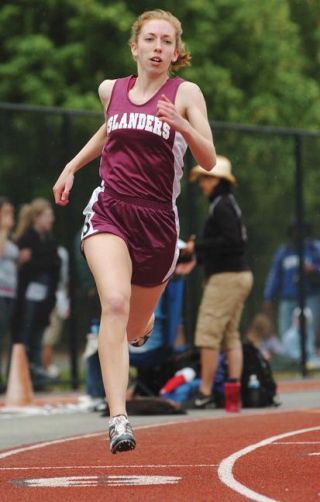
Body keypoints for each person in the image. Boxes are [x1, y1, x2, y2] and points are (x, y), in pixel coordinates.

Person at [53, 8, 216, 454]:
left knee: (131, 325)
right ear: (135, 46)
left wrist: (181, 124)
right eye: (150, 40)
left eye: (166, 41)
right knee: (115, 300)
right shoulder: (112, 90)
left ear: (175, 50)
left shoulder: (186, 93)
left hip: (158, 222)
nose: (157, 48)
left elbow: (208, 159)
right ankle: (118, 419)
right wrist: (72, 166)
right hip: (110, 210)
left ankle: (136, 327)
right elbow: (111, 129)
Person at [184, 155, 253, 409]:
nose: (201, 184)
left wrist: (196, 247)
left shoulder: (221, 206)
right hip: (238, 275)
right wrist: (198, 257)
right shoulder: (227, 204)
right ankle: (232, 393)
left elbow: (232, 242)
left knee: (208, 333)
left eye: (204, 178)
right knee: (229, 335)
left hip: (227, 277)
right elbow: (228, 244)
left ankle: (204, 393)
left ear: (216, 180)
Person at [11, 198, 61, 385]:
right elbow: (29, 266)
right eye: (47, 216)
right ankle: (22, 376)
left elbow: (53, 263)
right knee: (26, 331)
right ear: (36, 218)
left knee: (39, 333)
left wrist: (39, 261)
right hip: (28, 294)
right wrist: (41, 262)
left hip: (45, 293)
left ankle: (38, 374)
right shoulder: (26, 239)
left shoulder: (49, 240)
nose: (51, 220)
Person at [263, 219, 320, 364]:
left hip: (309, 296)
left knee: (309, 331)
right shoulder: (284, 252)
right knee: (286, 332)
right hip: (287, 298)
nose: (297, 233)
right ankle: (290, 363)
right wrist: (268, 296)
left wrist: (314, 270)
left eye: (300, 229)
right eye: (295, 230)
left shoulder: (314, 248)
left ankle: (310, 361)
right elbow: (275, 275)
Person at [42, 245, 70, 379]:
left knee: (50, 338)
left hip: (58, 299)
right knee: (48, 338)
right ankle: (45, 371)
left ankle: (46, 370)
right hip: (53, 300)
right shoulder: (58, 252)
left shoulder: (60, 252)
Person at [0, 197, 19, 388]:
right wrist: (4, 228)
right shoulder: (3, 234)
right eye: (6, 212)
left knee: (6, 336)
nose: (10, 216)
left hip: (9, 292)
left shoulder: (10, 235)